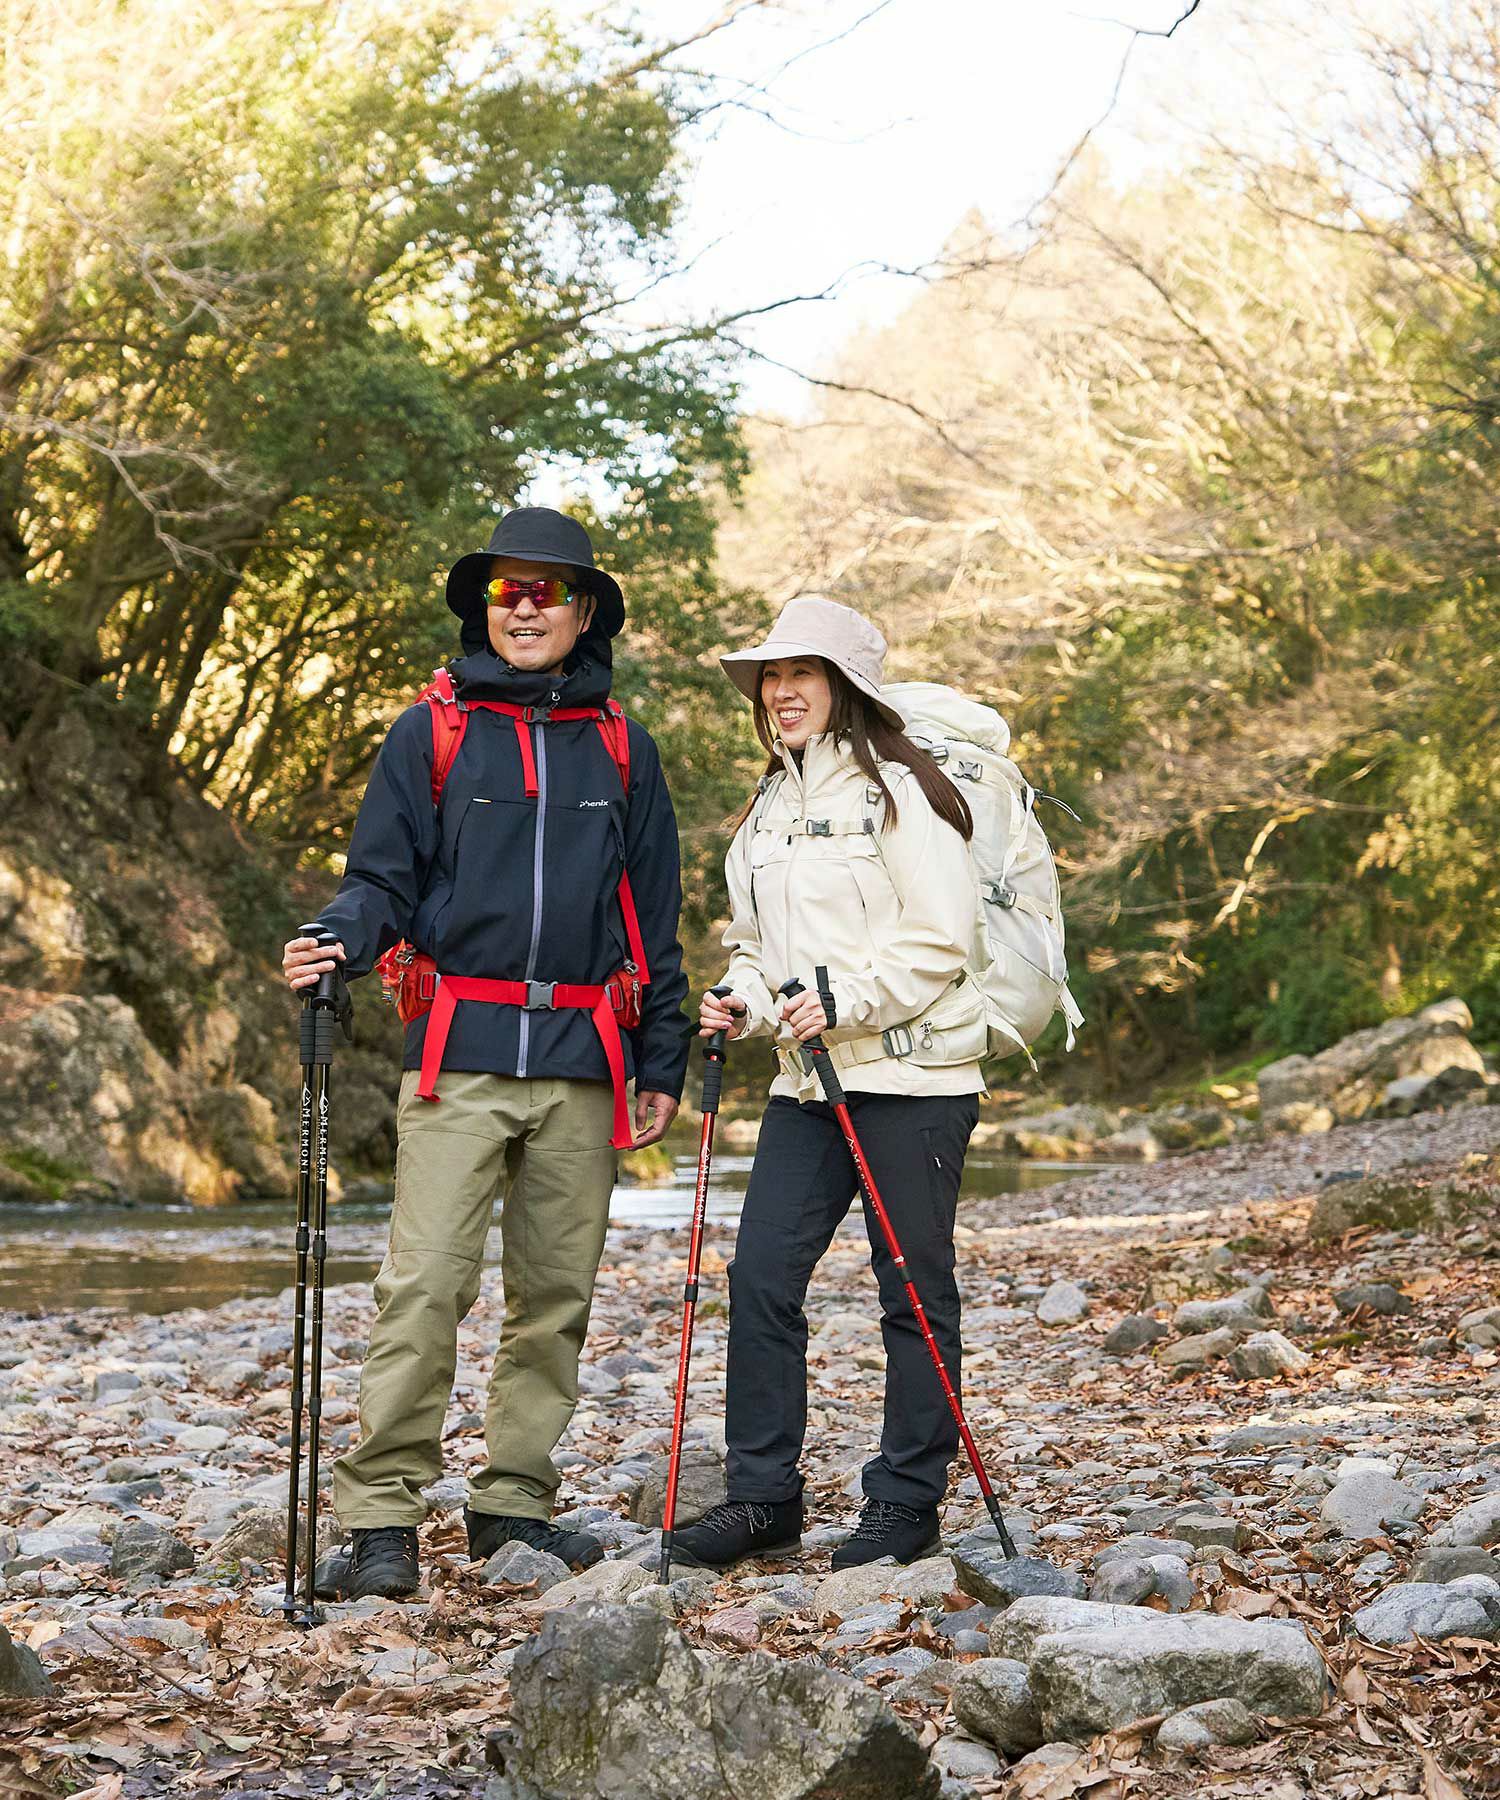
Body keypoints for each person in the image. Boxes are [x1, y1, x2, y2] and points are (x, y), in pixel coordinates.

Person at [281, 506, 690, 1600]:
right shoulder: (432, 732)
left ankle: (513, 1504)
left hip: (583, 1057)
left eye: (549, 592)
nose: (526, 608)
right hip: (458, 1048)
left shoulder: (624, 748)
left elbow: (653, 918)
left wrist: (662, 1059)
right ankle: (382, 1523)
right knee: (423, 1286)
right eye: (509, 590)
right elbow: (380, 880)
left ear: (585, 612)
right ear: (484, 607)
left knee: (554, 1299)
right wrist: (336, 938)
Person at [671, 594, 988, 1572]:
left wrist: (842, 1000)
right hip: (807, 1084)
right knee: (761, 1278)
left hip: (916, 1077)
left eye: (799, 672)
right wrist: (740, 1001)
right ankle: (763, 1499)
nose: (780, 690)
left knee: (913, 1291)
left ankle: (906, 1502)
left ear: (844, 686)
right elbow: (755, 946)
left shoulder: (905, 794)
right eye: (771, 676)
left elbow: (942, 940)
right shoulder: (767, 809)